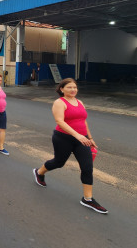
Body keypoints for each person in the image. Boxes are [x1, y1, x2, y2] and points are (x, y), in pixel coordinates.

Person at [33, 78, 108, 214]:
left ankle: (88, 199)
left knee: (87, 167)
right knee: (58, 162)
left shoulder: (80, 102)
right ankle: (39, 172)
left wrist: (89, 138)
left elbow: (83, 121)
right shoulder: (59, 103)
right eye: (69, 87)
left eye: (75, 87)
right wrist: (77, 135)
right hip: (63, 138)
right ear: (62, 89)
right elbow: (59, 121)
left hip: (82, 139)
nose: (73, 90)